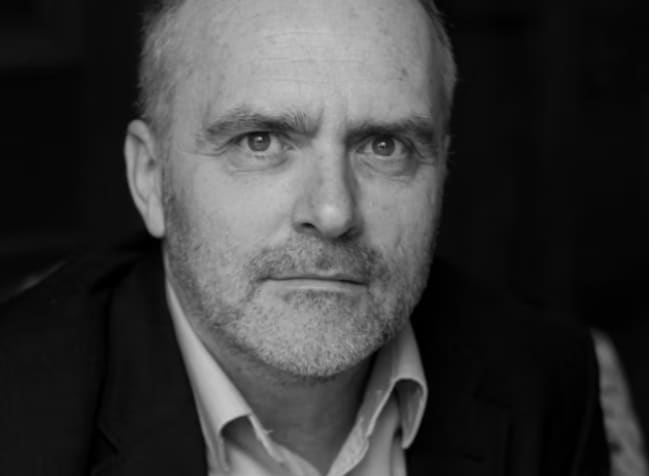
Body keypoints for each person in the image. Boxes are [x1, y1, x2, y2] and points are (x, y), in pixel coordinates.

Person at [0, 0, 610, 474]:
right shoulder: (19, 414)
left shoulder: (546, 383)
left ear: (443, 170)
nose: (333, 211)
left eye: (384, 146)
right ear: (151, 179)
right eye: (260, 141)